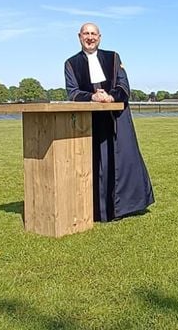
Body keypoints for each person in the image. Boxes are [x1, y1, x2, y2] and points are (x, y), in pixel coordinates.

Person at [64, 23, 155, 221]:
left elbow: (124, 86)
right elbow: (72, 93)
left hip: (117, 119)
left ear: (100, 37)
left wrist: (111, 97)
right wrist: (93, 97)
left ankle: (124, 207)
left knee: (123, 161)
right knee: (95, 162)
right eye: (86, 34)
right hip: (91, 121)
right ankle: (96, 209)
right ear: (79, 37)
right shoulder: (71, 63)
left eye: (93, 34)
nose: (90, 37)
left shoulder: (113, 57)